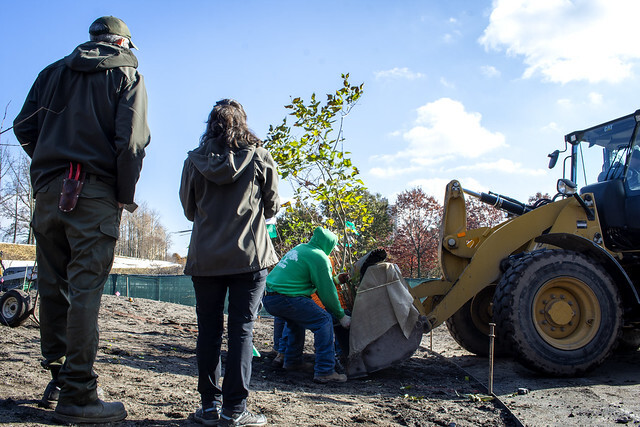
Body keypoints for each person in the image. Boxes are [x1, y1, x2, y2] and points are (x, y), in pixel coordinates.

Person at [12, 16, 149, 424]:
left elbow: (23, 127)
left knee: (54, 289)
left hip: (48, 195)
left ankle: (60, 379)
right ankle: (78, 394)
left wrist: (48, 161)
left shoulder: (51, 73)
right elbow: (131, 144)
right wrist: (123, 194)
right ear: (122, 43)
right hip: (94, 194)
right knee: (85, 294)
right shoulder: (127, 75)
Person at [180, 99, 280, 427]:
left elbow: (189, 209)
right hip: (249, 258)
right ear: (243, 123)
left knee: (208, 331)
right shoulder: (261, 157)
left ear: (210, 125)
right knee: (242, 331)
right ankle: (234, 410)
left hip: (206, 258)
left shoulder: (193, 161)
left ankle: (209, 408)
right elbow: (272, 206)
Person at [263, 226, 351, 384]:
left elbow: (305, 279)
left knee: (295, 322)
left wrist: (336, 279)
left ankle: (292, 362)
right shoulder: (319, 257)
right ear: (329, 244)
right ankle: (325, 371)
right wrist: (341, 316)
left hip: (270, 297)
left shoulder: (302, 248)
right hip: (287, 297)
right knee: (324, 320)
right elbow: (327, 292)